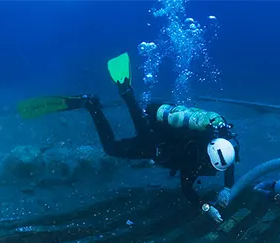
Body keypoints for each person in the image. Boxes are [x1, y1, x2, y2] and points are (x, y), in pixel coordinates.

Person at [18, 52, 239, 222]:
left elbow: (227, 162)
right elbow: (186, 188)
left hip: (159, 123)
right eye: (211, 167)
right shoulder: (192, 156)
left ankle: (122, 93)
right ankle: (95, 104)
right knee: (113, 148)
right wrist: (206, 207)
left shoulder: (219, 141)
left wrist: (228, 187)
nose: (212, 171)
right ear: (206, 157)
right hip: (158, 143)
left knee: (143, 126)